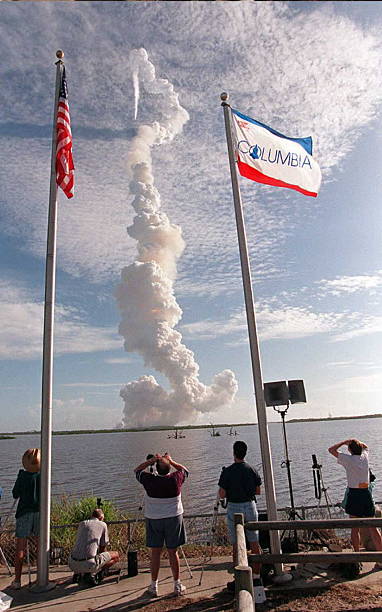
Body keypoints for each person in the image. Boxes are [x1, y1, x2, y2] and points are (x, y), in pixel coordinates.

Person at [134, 452, 189, 597]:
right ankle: (177, 585)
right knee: (173, 551)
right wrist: (171, 460)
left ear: (156, 469)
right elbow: (185, 470)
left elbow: (137, 471)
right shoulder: (176, 479)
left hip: (154, 519)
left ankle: (154, 586)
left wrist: (151, 461)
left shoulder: (149, 480)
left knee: (156, 553)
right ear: (169, 468)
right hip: (174, 519)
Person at [328, 438, 382, 569]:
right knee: (373, 527)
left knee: (354, 527)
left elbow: (331, 450)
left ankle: (357, 558)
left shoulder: (348, 460)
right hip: (366, 494)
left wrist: (343, 442)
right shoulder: (365, 457)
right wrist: (355, 442)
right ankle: (381, 559)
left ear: (350, 450)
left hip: (354, 495)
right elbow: (365, 446)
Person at [218, 440, 263, 594]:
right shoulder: (252, 469)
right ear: (245, 452)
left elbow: (222, 494)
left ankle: (239, 578)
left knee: (237, 544)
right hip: (250, 505)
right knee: (254, 542)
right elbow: (258, 491)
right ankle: (257, 576)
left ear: (234, 452)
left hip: (234, 507)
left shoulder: (228, 471)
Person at [10, 448, 41, 589]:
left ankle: (17, 580)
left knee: (20, 548)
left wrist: (20, 478)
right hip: (40, 513)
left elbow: (15, 494)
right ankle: (41, 576)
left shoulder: (22, 476)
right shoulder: (43, 475)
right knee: (41, 545)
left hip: (24, 513)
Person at [68, 508, 119, 584]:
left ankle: (78, 574)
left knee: (83, 551)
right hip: (89, 564)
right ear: (101, 518)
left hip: (72, 563)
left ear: (91, 516)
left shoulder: (82, 524)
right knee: (116, 556)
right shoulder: (103, 524)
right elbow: (102, 548)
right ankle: (98, 575)